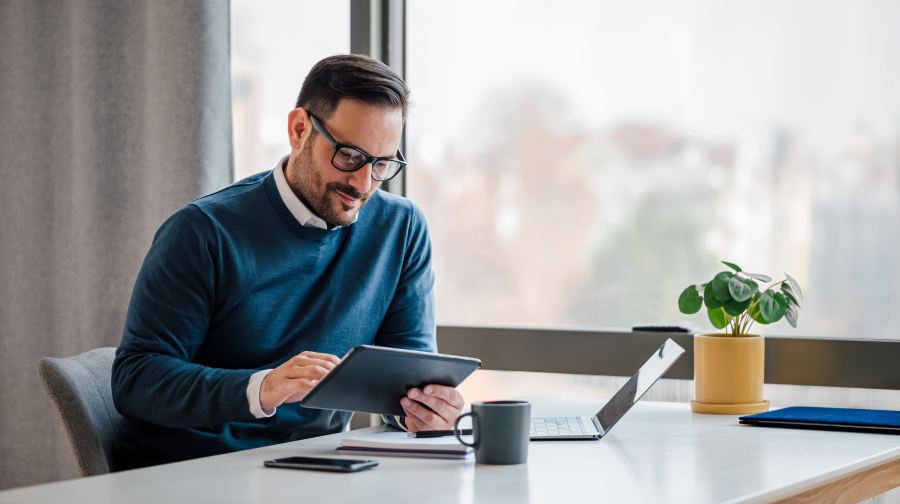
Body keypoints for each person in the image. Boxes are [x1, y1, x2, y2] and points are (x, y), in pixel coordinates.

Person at [111, 54, 464, 470]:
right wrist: (261, 387)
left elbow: (406, 379)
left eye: (381, 164)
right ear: (299, 130)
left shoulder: (401, 230)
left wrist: (424, 409)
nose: (363, 183)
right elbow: (136, 380)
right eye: (350, 156)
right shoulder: (203, 231)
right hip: (191, 470)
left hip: (317, 468)